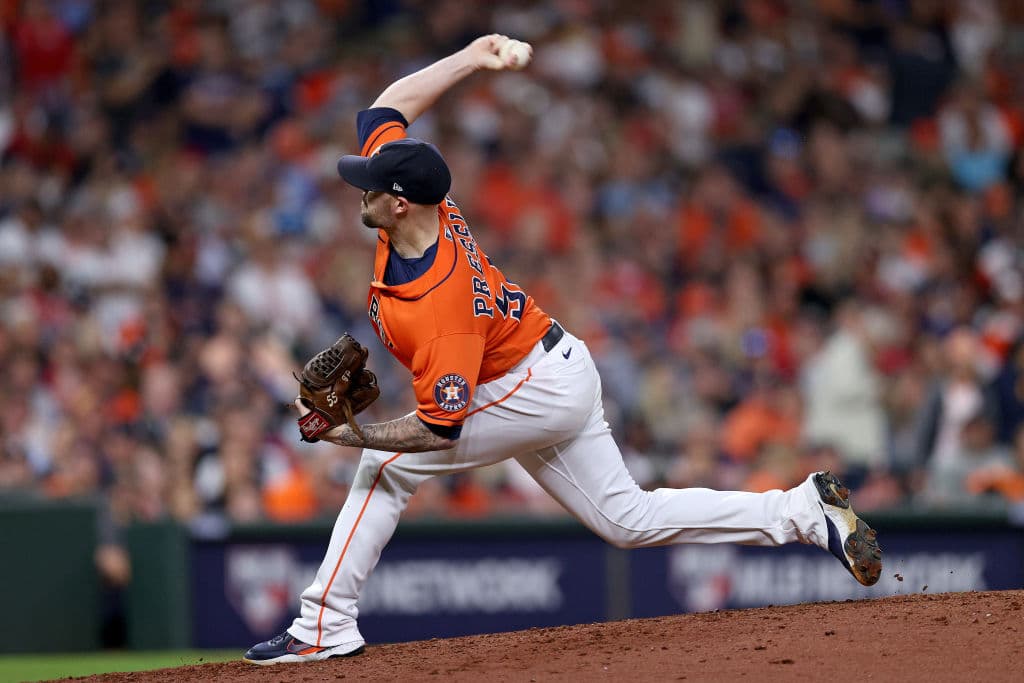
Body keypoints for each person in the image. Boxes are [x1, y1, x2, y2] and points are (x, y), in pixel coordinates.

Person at [243, 35, 882, 666]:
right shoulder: (417, 207)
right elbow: (387, 108)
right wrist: (471, 57)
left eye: (369, 186)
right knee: (626, 520)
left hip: (532, 387)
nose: (358, 188)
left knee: (386, 467)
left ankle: (322, 625)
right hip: (547, 366)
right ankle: (801, 510)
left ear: (400, 202)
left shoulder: (443, 302)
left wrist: (346, 435)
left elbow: (440, 429)